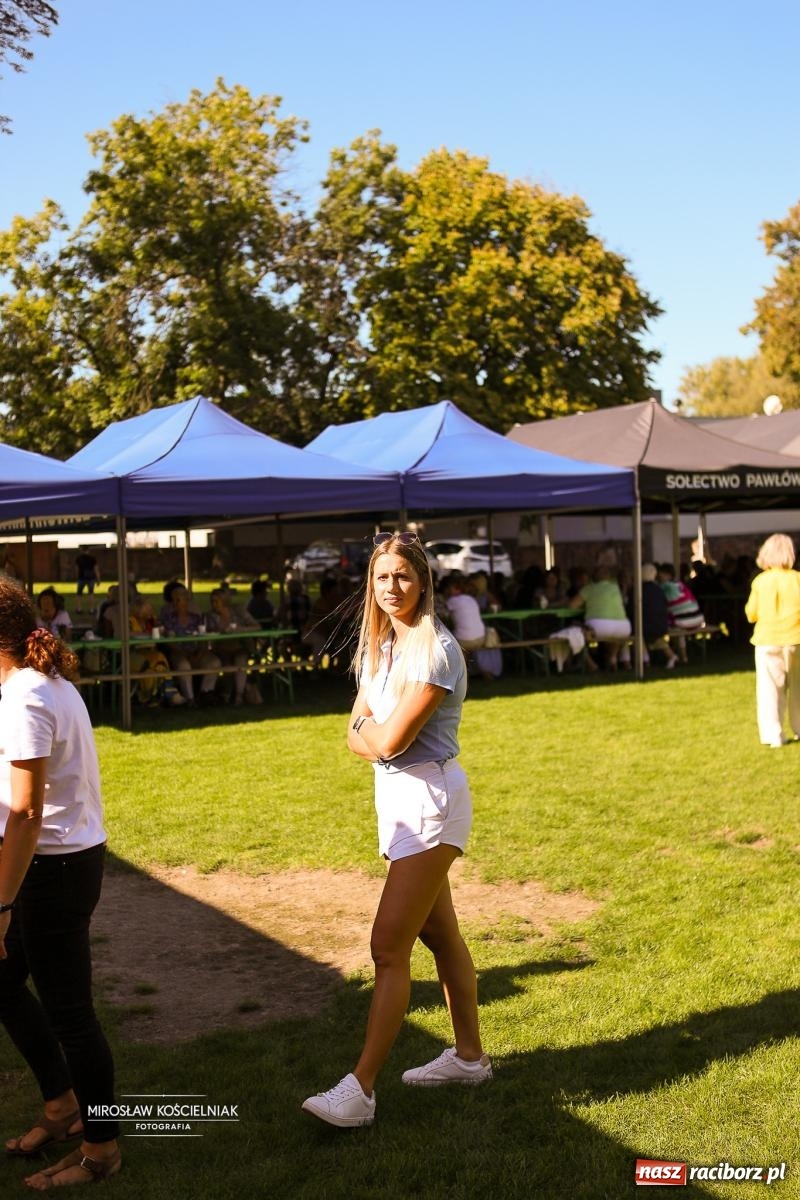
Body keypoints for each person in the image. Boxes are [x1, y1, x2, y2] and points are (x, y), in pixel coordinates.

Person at [302, 532, 491, 1129]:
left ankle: (359, 1090)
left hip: (430, 799)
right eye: (382, 577)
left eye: (403, 577)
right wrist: (367, 734)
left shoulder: (433, 650)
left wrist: (368, 735)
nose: (391, 588)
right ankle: (469, 1058)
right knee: (442, 938)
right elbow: (357, 728)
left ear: (424, 581)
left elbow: (382, 738)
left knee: (388, 947)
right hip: (399, 798)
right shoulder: (381, 644)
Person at [0, 578, 121, 1187]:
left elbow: (25, 811)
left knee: (72, 1014)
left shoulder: (25, 697)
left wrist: (1, 904)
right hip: (51, 864)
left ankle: (101, 1149)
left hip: (52, 871)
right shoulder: (36, 686)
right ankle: (62, 1104)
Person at [744, 533, 800, 748]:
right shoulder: (797, 579)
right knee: (797, 687)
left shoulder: (760, 581)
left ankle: (774, 733)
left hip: (768, 639)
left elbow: (751, 614)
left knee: (770, 690)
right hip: (796, 638)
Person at [205, 586, 261, 705]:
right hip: (221, 649)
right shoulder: (210, 616)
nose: (213, 604)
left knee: (240, 660)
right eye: (212, 602)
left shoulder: (239, 611)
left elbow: (257, 626)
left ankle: (239, 696)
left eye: (216, 601)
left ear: (224, 601)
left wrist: (241, 629)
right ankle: (227, 694)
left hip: (240, 646)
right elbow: (207, 634)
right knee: (226, 664)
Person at [569, 565, 631, 670]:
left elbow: (572, 606)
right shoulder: (615, 587)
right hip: (624, 627)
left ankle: (591, 664)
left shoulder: (589, 589)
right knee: (615, 636)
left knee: (574, 631)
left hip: (598, 627)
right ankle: (612, 659)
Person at [74, 550, 100, 615]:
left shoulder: (79, 558)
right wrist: (98, 578)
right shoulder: (92, 558)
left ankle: (79, 609)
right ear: (88, 550)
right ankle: (91, 609)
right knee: (91, 594)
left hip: (81, 578)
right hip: (91, 578)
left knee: (79, 594)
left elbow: (76, 569)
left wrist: (77, 577)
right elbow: (96, 569)